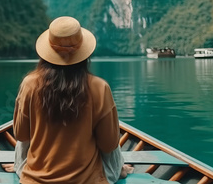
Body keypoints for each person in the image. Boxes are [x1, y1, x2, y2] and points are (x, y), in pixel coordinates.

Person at [12, 16, 133, 184]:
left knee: (22, 143)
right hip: (87, 180)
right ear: (83, 53)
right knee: (113, 140)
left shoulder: (30, 84)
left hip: (37, 179)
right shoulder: (99, 87)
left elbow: (21, 134)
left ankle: (21, 167)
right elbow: (109, 145)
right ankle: (120, 169)